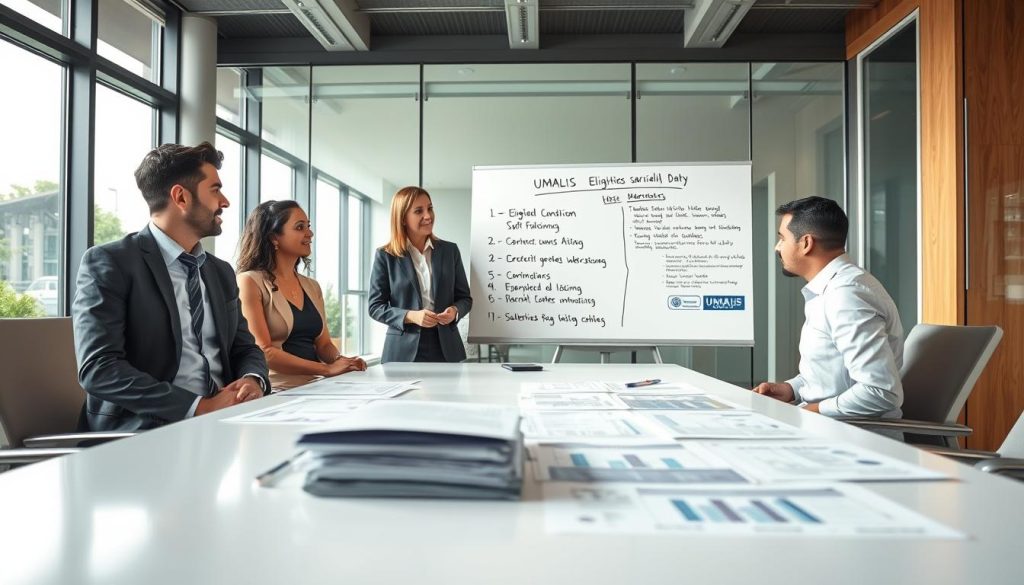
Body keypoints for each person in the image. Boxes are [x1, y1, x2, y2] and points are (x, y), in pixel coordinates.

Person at [72, 142, 269, 432]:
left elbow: (245, 348)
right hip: (143, 431)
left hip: (223, 424)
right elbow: (99, 369)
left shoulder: (220, 271)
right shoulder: (111, 263)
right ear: (181, 197)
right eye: (215, 189)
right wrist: (198, 407)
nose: (224, 201)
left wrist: (253, 379)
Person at [753, 196, 905, 420]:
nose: (778, 247)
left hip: (851, 438)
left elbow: (881, 392)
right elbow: (835, 376)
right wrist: (791, 389)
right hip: (827, 427)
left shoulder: (846, 295)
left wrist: (808, 411)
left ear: (806, 243)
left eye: (782, 238)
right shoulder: (832, 289)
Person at [236, 200, 367, 390]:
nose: (310, 233)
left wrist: (341, 361)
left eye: (308, 226)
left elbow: (324, 344)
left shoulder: (312, 286)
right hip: (276, 391)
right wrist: (326, 369)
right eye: (299, 227)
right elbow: (265, 351)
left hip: (316, 386)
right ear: (274, 237)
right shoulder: (250, 282)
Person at [369, 186, 472, 362]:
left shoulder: (450, 251)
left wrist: (454, 311)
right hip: (402, 351)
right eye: (419, 211)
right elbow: (375, 307)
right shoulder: (385, 255)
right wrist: (411, 316)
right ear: (402, 218)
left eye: (430, 208)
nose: (428, 216)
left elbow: (465, 299)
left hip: (446, 348)